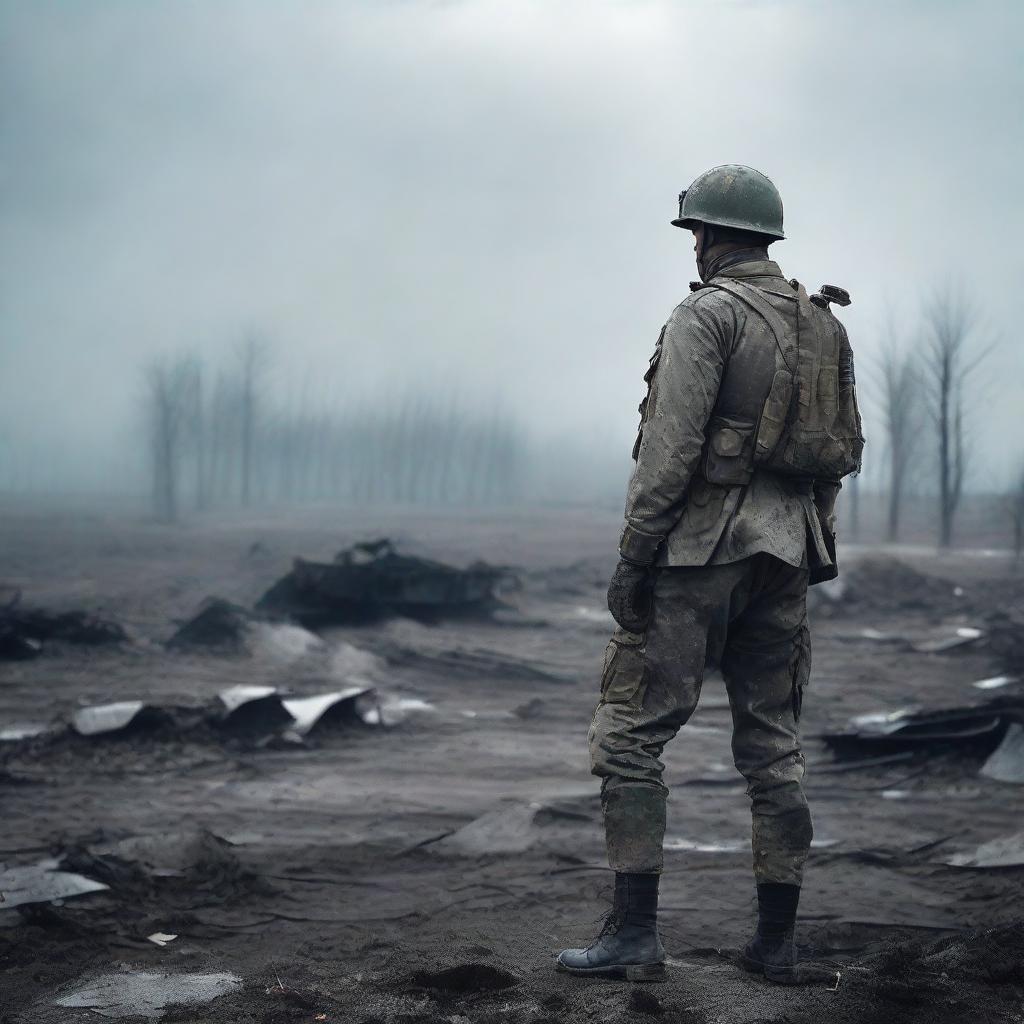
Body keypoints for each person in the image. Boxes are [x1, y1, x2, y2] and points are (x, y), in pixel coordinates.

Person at [556, 165, 864, 984]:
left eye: (696, 231)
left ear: (715, 236)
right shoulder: (822, 324)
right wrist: (812, 543)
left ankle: (634, 934)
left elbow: (669, 454)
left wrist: (634, 557)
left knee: (629, 733)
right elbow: (836, 457)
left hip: (699, 552)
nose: (692, 245)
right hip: (789, 553)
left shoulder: (708, 314)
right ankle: (777, 945)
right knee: (774, 746)